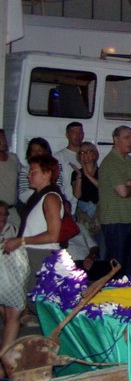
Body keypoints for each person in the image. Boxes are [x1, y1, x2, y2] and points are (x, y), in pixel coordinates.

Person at [3, 155, 63, 296]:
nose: (29, 175)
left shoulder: (51, 198)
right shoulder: (37, 196)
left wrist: (21, 240)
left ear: (47, 173)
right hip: (31, 253)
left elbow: (53, 235)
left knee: (36, 302)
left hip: (42, 254)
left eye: (33, 171)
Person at [98, 126, 131, 278]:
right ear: (115, 139)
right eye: (126, 138)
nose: (130, 142)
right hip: (115, 221)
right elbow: (123, 192)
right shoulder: (111, 162)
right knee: (117, 268)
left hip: (129, 219)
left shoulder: (129, 160)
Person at [0, 201, 28, 359]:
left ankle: (4, 367)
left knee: (12, 315)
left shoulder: (13, 229)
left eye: (5, 213)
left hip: (9, 275)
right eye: (0, 213)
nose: (3, 217)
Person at [18, 138, 65, 204]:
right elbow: (23, 196)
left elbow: (60, 188)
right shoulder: (25, 170)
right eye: (33, 151)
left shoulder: (55, 167)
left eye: (40, 150)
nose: (36, 153)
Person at [71, 141, 101, 238]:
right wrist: (80, 176)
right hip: (83, 213)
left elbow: (103, 188)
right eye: (82, 152)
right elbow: (77, 195)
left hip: (99, 213)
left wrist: (87, 175)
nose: (85, 155)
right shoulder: (76, 173)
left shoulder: (102, 171)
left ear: (94, 154)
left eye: (88, 151)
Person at [54, 121, 84, 212]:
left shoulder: (87, 156)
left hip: (85, 208)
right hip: (68, 206)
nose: (78, 135)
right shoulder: (59, 156)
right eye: (74, 132)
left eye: (80, 132)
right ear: (67, 135)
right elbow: (56, 183)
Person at [0, 130, 22, 227]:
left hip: (11, 209)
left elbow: (24, 174)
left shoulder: (13, 158)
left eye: (4, 138)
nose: (3, 141)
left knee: (19, 233)